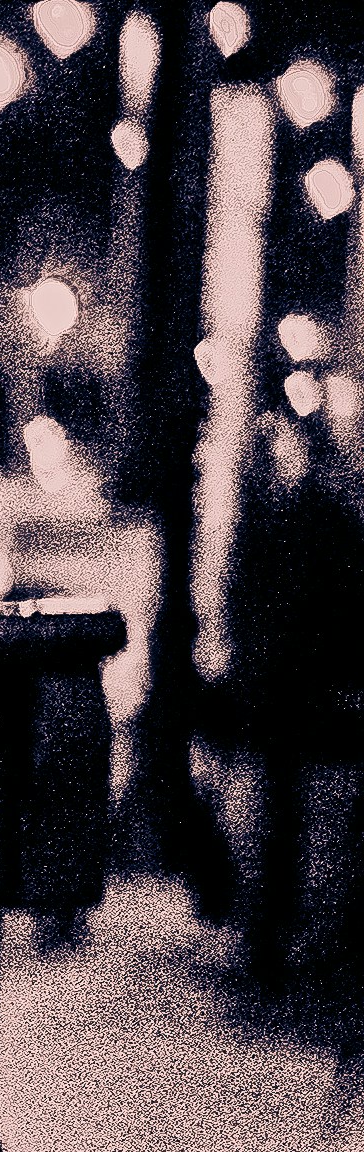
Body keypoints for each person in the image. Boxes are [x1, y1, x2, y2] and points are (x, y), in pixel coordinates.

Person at [226, 415, 364, 994]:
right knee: (286, 817)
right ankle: (278, 935)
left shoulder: (295, 519)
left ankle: (276, 935)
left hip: (292, 686)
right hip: (291, 687)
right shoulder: (305, 519)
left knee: (287, 817)